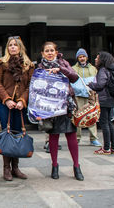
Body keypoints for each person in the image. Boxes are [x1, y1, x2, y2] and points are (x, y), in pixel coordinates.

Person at [38, 41, 84, 181]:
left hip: (66, 105)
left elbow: (74, 77)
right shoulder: (40, 67)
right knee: (53, 136)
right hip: (50, 107)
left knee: (71, 135)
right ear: (42, 53)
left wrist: (60, 69)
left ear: (56, 52)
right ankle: (54, 166)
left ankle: (76, 166)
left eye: (52, 50)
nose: (50, 53)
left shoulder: (63, 63)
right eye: (47, 50)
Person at [0, 36, 35, 181]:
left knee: (18, 134)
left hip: (20, 106)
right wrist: (7, 99)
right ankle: (6, 168)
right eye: (10, 45)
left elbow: (31, 85)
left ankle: (16, 167)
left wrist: (23, 100)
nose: (12, 47)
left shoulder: (29, 65)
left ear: (20, 47)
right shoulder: (1, 63)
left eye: (15, 45)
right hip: (6, 105)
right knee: (8, 133)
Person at [88, 51, 114, 155]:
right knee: (109, 123)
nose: (96, 59)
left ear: (102, 59)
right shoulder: (111, 69)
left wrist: (91, 84)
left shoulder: (102, 70)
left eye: (97, 58)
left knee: (104, 123)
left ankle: (106, 148)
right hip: (110, 99)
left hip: (103, 99)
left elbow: (100, 84)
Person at [72, 48, 102, 147]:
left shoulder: (93, 68)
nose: (82, 58)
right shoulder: (73, 69)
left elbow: (97, 81)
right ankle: (77, 138)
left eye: (83, 56)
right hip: (78, 95)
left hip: (90, 95)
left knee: (92, 115)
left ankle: (93, 138)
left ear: (87, 57)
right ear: (77, 58)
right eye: (80, 57)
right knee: (77, 116)